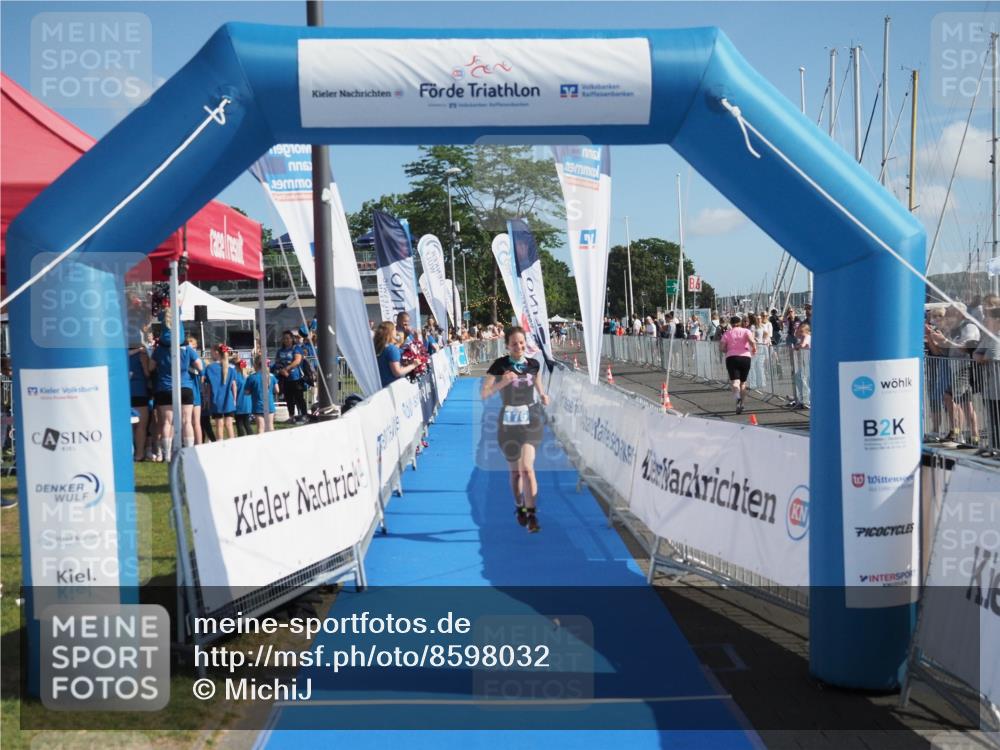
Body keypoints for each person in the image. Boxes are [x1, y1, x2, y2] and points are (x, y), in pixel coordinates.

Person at [481, 326, 550, 533]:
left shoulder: (533, 364)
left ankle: (532, 514)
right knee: (515, 475)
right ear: (507, 346)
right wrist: (503, 382)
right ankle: (519, 506)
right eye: (514, 343)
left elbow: (538, 384)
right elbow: (484, 394)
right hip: (508, 423)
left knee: (527, 469)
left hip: (530, 420)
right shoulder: (499, 365)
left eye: (521, 342)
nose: (519, 346)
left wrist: (543, 395)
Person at [149, 324, 202, 461]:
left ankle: (167, 454)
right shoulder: (188, 349)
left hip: (165, 388)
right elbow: (200, 366)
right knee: (187, 421)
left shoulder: (159, 350)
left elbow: (150, 367)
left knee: (167, 422)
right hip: (185, 387)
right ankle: (189, 452)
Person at [719, 315, 757, 414]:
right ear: (740, 323)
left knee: (735, 382)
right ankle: (742, 404)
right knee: (743, 383)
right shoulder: (746, 331)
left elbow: (722, 348)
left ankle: (737, 397)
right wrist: (754, 348)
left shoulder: (727, 333)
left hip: (732, 357)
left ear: (731, 324)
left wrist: (728, 349)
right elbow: (751, 341)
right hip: (745, 357)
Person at [273, 331, 307, 423]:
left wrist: (287, 369)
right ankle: (291, 416)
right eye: (284, 338)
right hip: (285, 378)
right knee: (288, 398)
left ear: (292, 339)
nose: (286, 340)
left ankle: (304, 415)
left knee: (299, 397)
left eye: (288, 338)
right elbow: (277, 362)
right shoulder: (280, 351)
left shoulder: (296, 348)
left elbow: (297, 361)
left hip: (296, 377)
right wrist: (281, 370)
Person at [205, 344, 238, 440]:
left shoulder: (209, 368)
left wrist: (207, 399)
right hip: (228, 399)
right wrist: (234, 399)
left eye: (211, 352)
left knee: (219, 424)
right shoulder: (231, 368)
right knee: (229, 424)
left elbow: (208, 387)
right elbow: (234, 386)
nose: (210, 354)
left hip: (216, 399)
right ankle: (232, 444)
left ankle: (220, 445)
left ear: (216, 352)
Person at [374, 322, 418, 388]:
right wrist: (414, 365)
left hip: (381, 387)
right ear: (390, 332)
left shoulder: (379, 347)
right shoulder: (392, 349)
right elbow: (397, 372)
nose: (396, 332)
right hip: (392, 388)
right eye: (394, 329)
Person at [128, 341, 152, 461]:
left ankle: (131, 452)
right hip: (139, 391)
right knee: (141, 426)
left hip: (126, 391)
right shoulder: (142, 354)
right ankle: (139, 453)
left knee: (129, 426)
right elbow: (147, 373)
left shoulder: (119, 354)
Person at [244, 356, 277, 433]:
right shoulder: (271, 376)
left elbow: (246, 392)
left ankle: (261, 444)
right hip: (269, 404)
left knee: (260, 427)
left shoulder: (252, 377)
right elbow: (277, 390)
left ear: (255, 364)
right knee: (270, 426)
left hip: (258, 405)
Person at [234, 359, 253, 437]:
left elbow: (234, 390)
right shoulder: (249, 377)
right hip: (248, 404)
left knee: (239, 424)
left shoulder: (236, 377)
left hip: (239, 402)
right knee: (246, 423)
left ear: (238, 367)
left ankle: (241, 440)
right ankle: (251, 439)